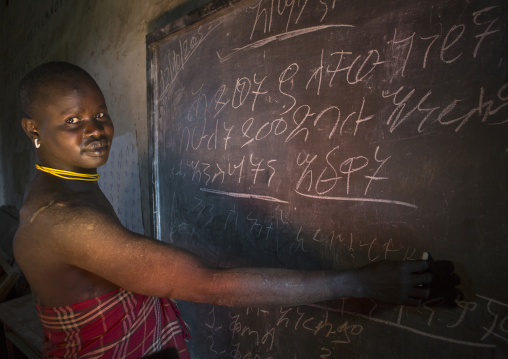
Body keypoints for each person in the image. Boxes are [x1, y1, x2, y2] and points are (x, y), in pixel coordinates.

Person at [14, 62, 432, 359]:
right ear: (33, 129)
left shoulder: (70, 184)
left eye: (100, 114)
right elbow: (209, 285)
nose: (95, 130)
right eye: (73, 121)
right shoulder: (64, 218)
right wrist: (357, 282)